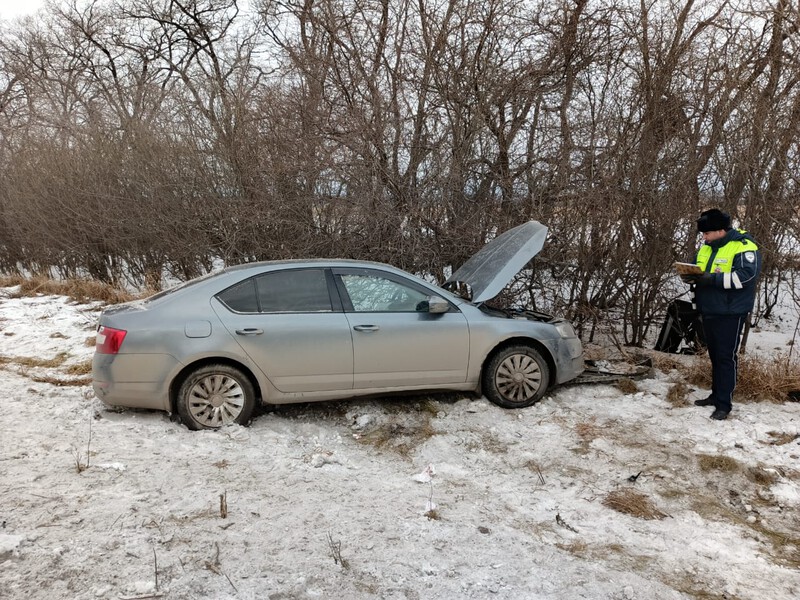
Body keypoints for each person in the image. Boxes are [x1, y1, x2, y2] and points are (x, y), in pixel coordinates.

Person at [681, 208, 761, 420]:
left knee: (725, 357)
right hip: (708, 309)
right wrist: (691, 276)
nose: (704, 237)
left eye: (706, 233)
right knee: (715, 356)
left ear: (720, 230)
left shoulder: (744, 246)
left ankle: (724, 404)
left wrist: (711, 279)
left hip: (730, 312)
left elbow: (745, 277)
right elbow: (699, 270)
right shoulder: (707, 248)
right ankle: (716, 395)